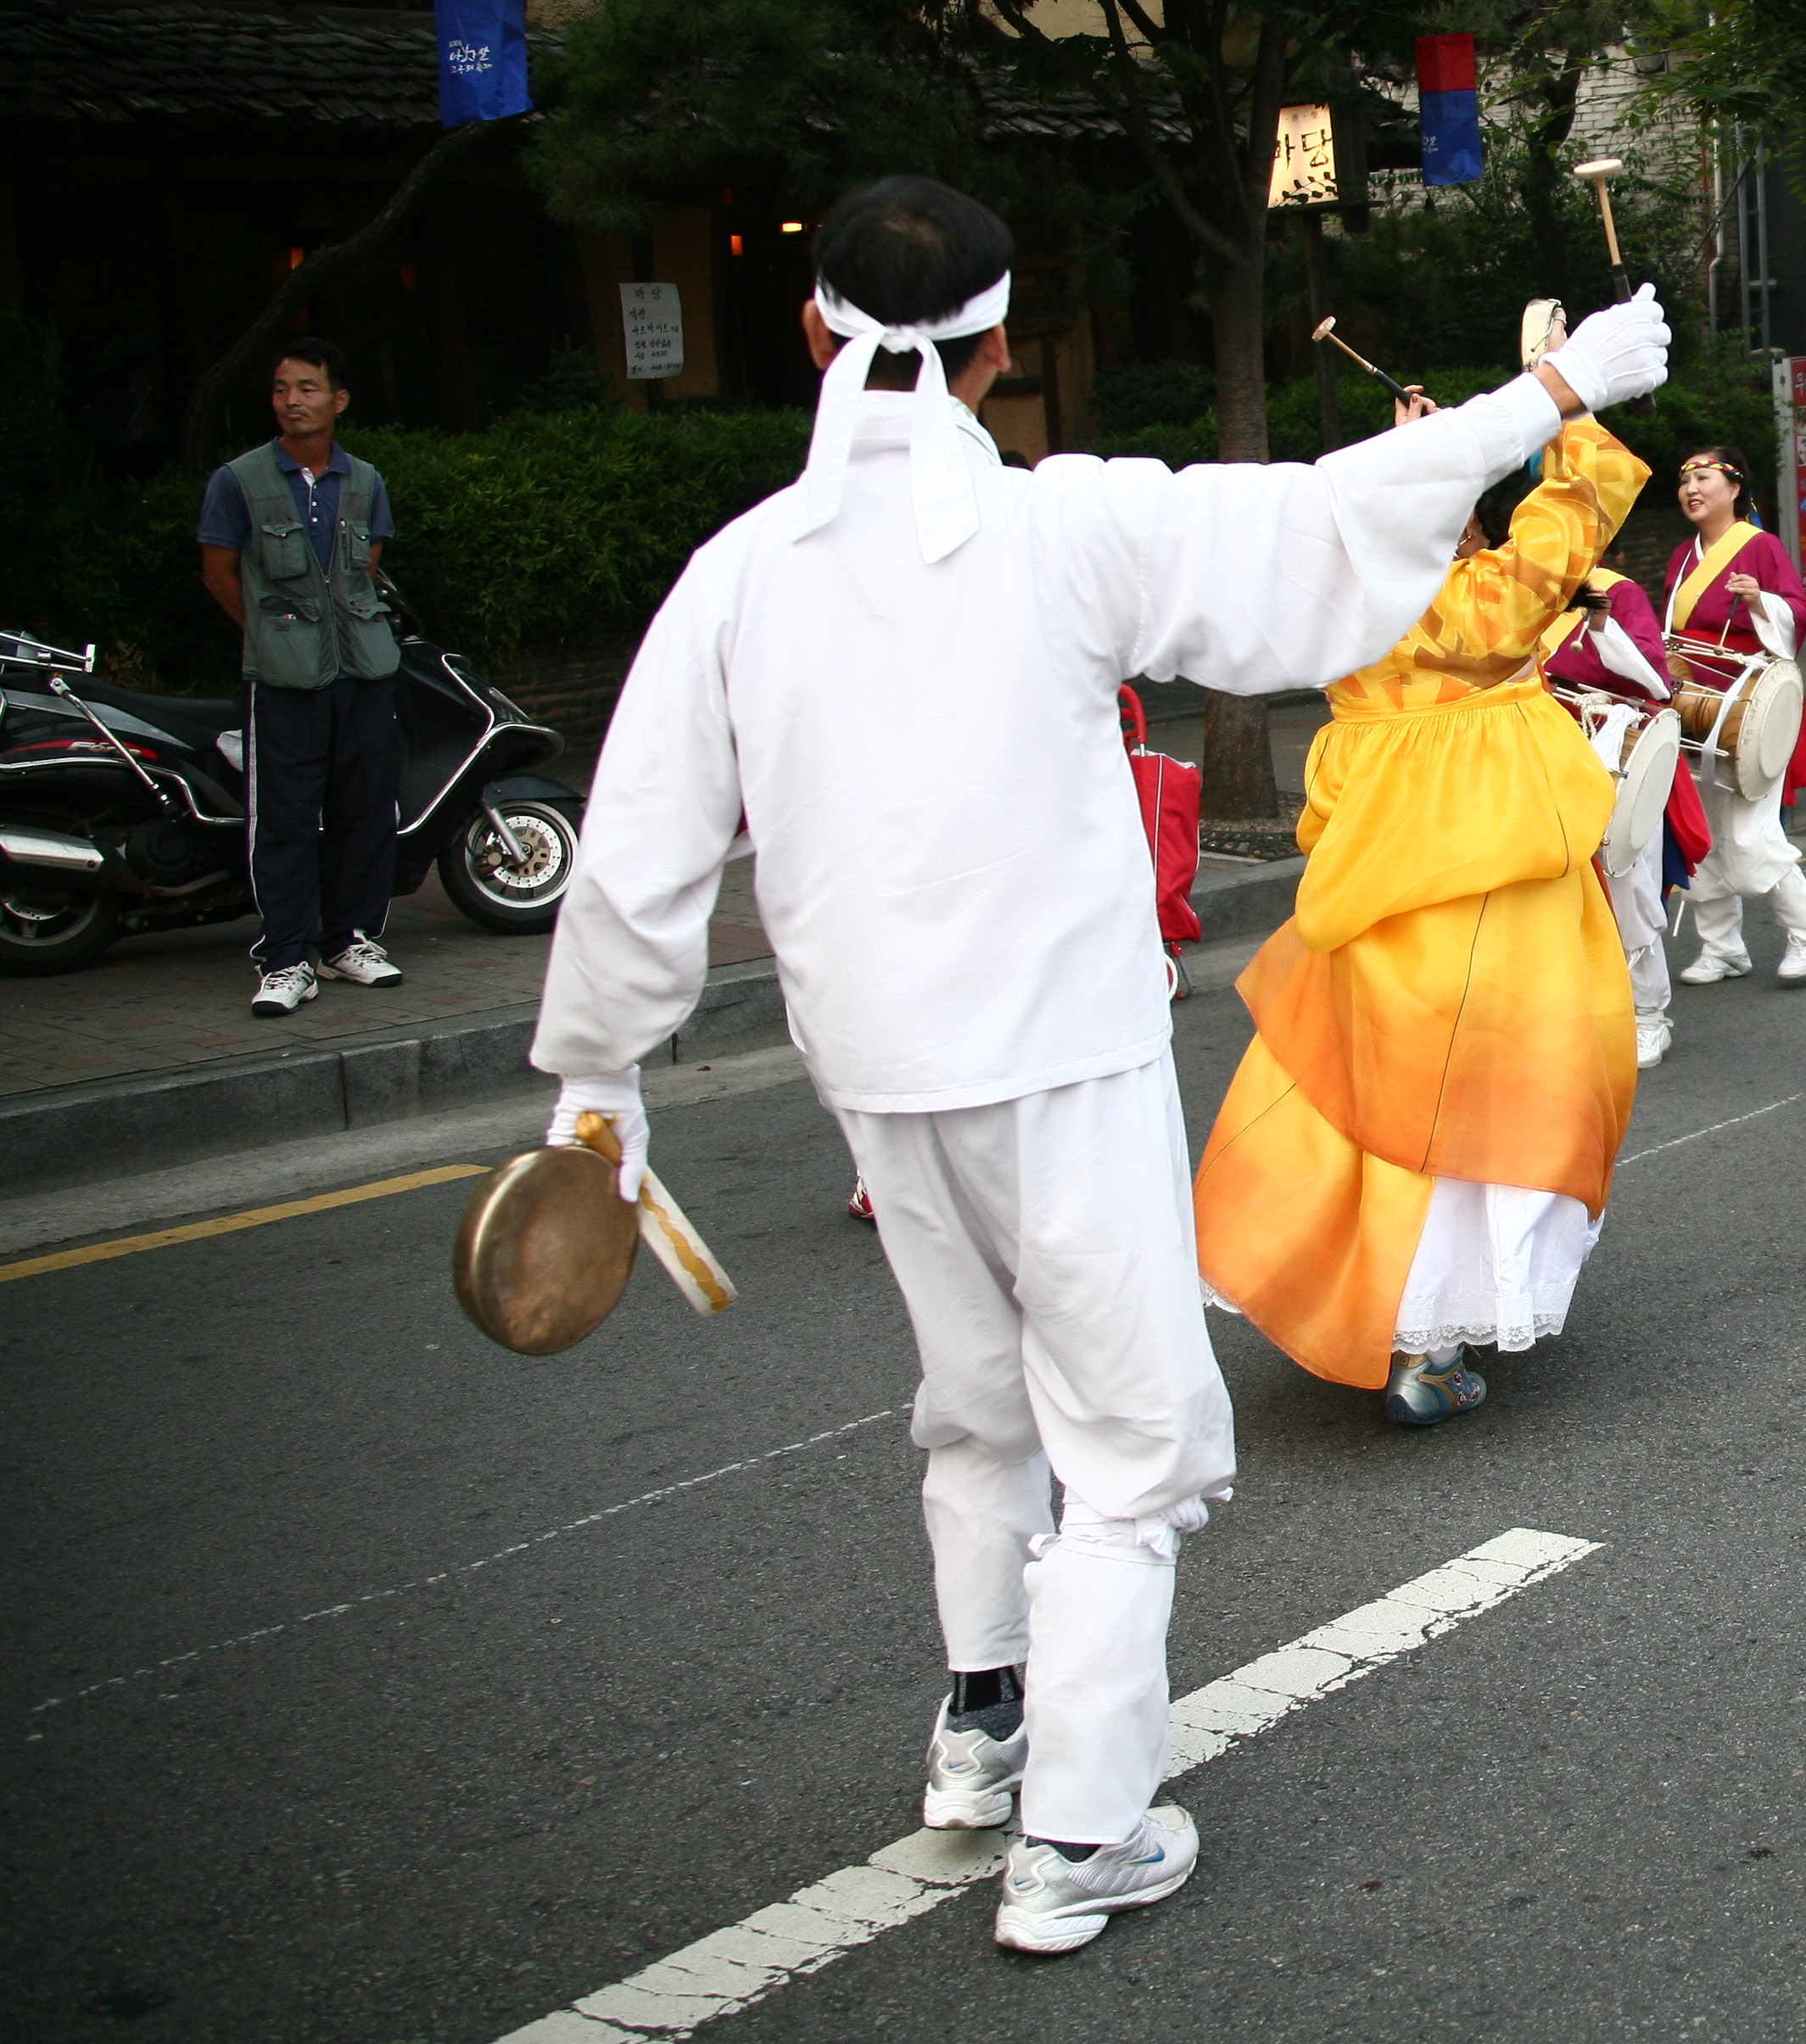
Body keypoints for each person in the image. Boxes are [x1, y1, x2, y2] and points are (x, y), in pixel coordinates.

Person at [529, 178, 1658, 1953]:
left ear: (813, 333)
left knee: (974, 1403)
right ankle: (1081, 1830)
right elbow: (1312, 529)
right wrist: (1559, 397)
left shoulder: (742, 569)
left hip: (879, 1072)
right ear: (996, 350)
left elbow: (640, 845)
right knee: (1132, 1447)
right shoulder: (1063, 525)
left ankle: (983, 1731)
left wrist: (599, 1079)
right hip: (1058, 1055)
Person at [1196, 388, 1657, 1429]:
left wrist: (1428, 452)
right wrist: (1554, 401)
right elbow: (1572, 512)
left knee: (1360, 1106)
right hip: (1491, 897)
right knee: (1507, 1100)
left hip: (1369, 895)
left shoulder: (1336, 614)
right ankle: (1435, 1338)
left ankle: (1383, 1317)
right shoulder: (1466, 610)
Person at [198, 337, 405, 1017]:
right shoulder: (238, 480)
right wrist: (276, 635)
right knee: (284, 817)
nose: (294, 400)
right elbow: (219, 575)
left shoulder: (365, 479)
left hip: (363, 669)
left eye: (308, 388)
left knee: (365, 805)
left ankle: (349, 939)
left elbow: (366, 566)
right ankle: (287, 957)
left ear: (338, 400)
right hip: (283, 679)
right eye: (284, 389)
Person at [1664, 446, 1806, 982]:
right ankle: (1722, 948)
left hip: (1749, 708)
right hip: (1694, 703)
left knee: (1750, 834)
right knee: (1704, 830)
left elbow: (1797, 614)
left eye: (1704, 478)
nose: (1692, 488)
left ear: (1734, 488)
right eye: (1685, 479)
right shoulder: (1681, 556)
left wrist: (1762, 600)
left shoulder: (1760, 546)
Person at [1540, 547, 1686, 1071]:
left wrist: (1601, 626)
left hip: (1612, 750)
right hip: (1538, 752)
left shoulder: (1617, 592)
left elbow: (1655, 679)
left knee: (1625, 878)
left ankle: (1649, 1012)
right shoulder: (1514, 595)